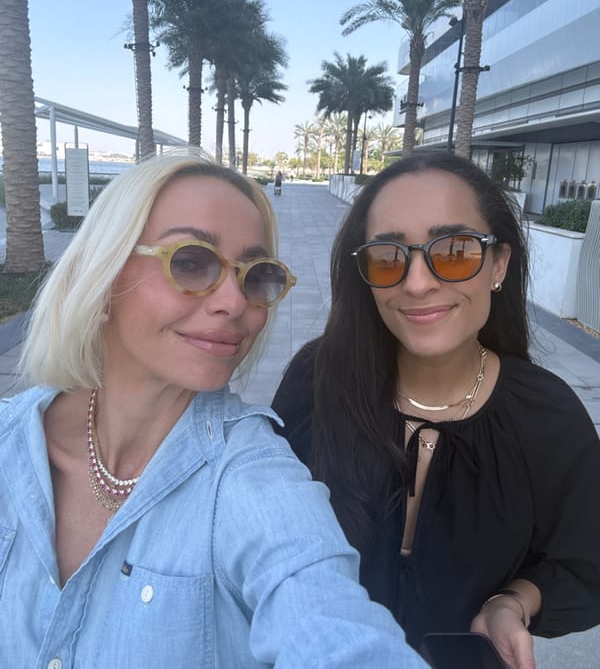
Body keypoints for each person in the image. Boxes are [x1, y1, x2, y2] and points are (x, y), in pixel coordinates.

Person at [0, 152, 427, 668]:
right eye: (190, 261)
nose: (234, 301)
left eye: (257, 275)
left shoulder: (252, 476)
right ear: (104, 269)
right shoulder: (10, 441)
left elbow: (325, 615)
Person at [273, 150, 600, 669]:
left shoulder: (548, 419)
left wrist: (511, 602)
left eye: (454, 250)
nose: (418, 282)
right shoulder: (315, 384)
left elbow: (584, 562)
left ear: (498, 264)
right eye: (387, 255)